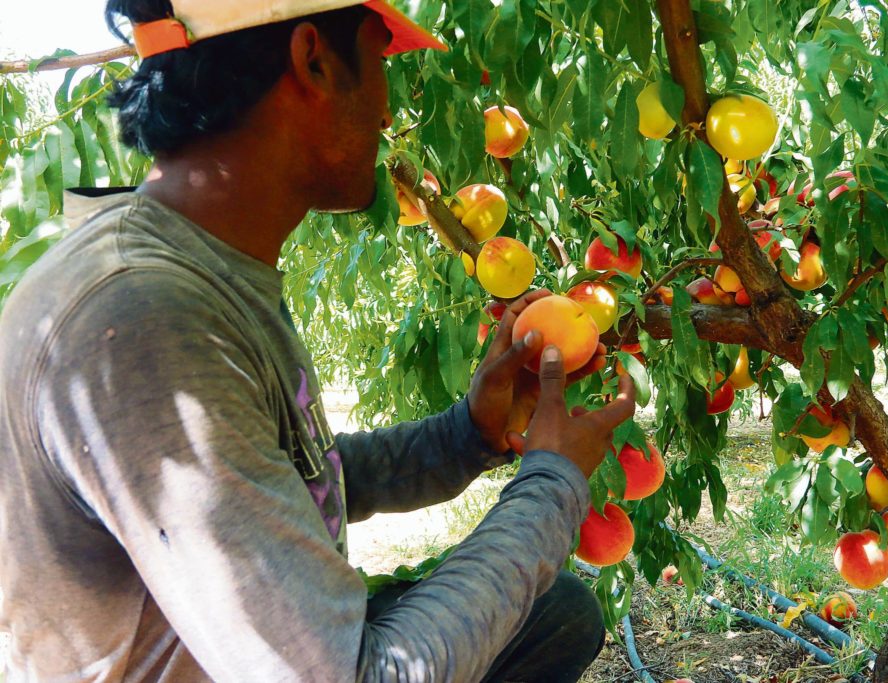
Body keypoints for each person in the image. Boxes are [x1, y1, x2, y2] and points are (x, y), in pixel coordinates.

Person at [0, 1, 637, 681]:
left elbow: (289, 477)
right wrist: (553, 481)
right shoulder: (145, 320)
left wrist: (468, 435)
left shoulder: (202, 263)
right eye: (378, 57)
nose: (389, 113)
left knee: (557, 615)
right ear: (313, 60)